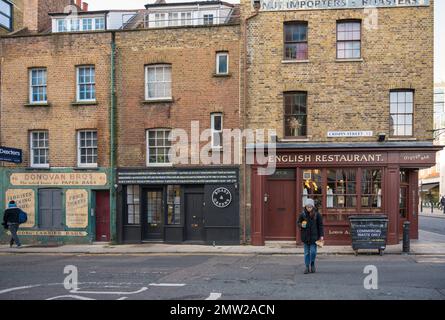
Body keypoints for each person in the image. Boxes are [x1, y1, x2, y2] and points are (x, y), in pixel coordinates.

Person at [297, 198, 324, 274]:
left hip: (314, 237)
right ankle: (306, 267)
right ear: (305, 206)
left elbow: (320, 225)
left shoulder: (317, 215)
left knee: (313, 252)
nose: (309, 208)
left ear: (313, 207)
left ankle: (312, 263)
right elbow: (298, 222)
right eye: (307, 207)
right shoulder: (302, 214)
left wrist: (321, 235)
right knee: (306, 253)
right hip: (305, 237)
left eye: (310, 207)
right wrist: (301, 225)